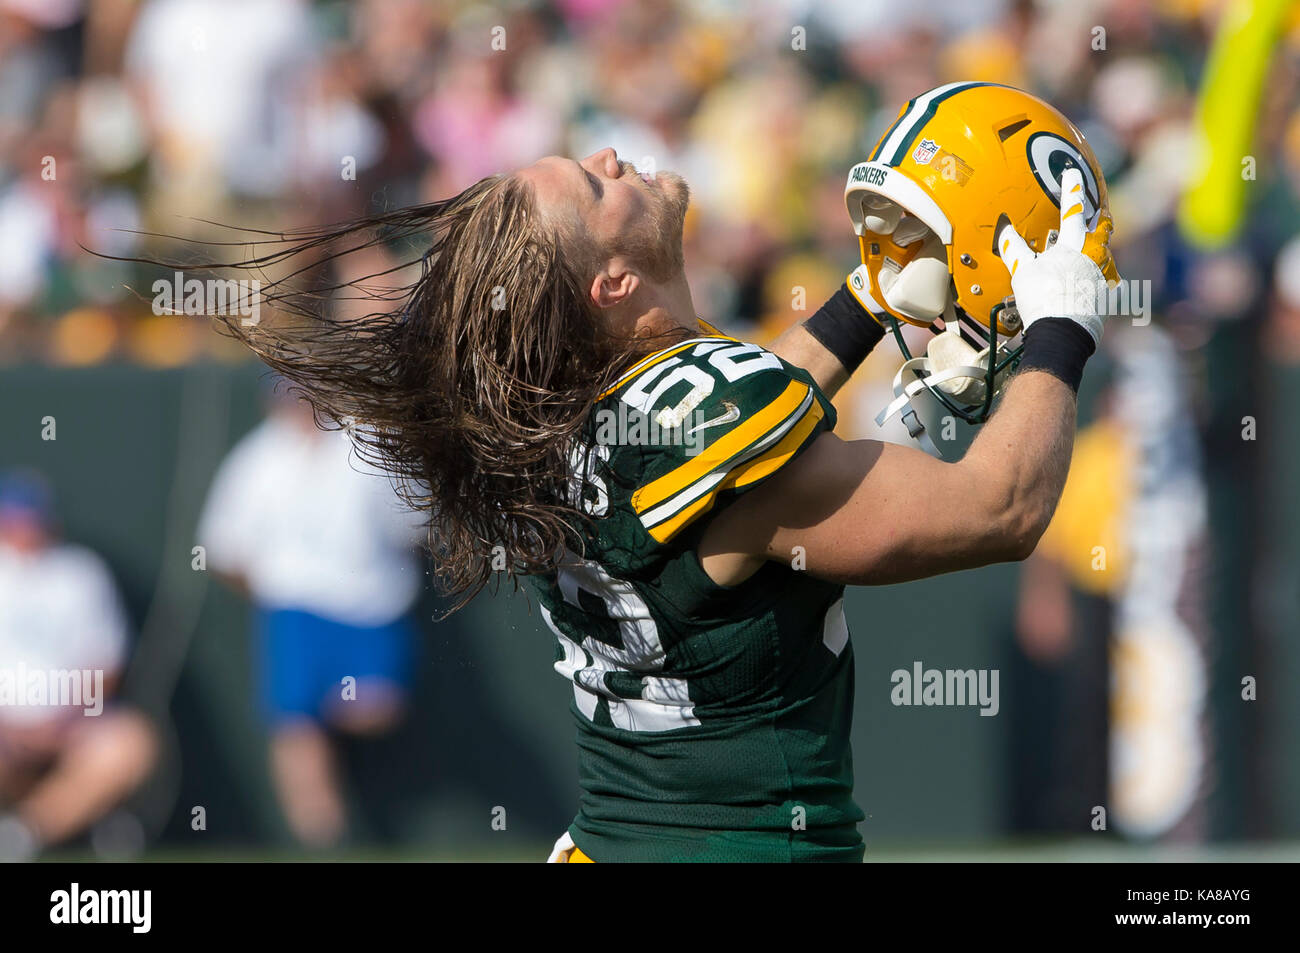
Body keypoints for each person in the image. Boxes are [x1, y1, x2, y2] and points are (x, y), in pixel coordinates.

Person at [204, 83, 1117, 862]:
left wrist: (867, 301)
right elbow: (1001, 506)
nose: (611, 155)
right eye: (597, 186)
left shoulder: (554, 420)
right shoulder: (710, 420)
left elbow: (726, 414)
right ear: (610, 282)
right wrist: (1062, 325)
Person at [197, 386, 424, 848]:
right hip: (294, 608)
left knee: (377, 707)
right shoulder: (255, 460)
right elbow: (222, 548)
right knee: (294, 724)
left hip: (373, 605)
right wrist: (271, 588)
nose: (296, 408)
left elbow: (416, 523)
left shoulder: (372, 444)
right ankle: (322, 840)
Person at [0, 471, 156, 861]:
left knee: (130, 742)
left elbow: (106, 665)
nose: (24, 529)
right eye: (14, 518)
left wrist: (62, 720)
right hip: (6, 730)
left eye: (31, 517)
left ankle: (25, 832)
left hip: (71, 726)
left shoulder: (80, 573)